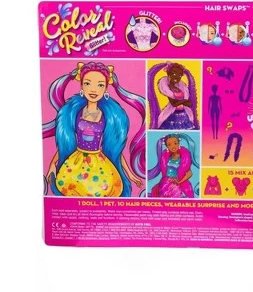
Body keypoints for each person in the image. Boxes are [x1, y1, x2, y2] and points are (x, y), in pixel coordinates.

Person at [42, 62, 145, 197]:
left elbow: (116, 150)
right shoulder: (74, 114)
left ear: (106, 88)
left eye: (100, 85)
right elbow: (65, 143)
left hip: (99, 165)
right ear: (81, 86)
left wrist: (130, 175)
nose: (93, 90)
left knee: (101, 191)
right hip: (75, 163)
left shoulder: (109, 117)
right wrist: (52, 164)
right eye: (88, 83)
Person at [148, 61, 199, 130]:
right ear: (168, 74)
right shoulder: (168, 89)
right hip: (173, 115)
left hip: (183, 113)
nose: (177, 77)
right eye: (174, 73)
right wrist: (184, 101)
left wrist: (182, 102)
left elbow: (189, 104)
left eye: (179, 75)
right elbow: (174, 104)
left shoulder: (180, 88)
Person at [148, 134, 199, 198]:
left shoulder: (183, 159)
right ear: (167, 147)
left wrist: (179, 182)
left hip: (176, 183)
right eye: (169, 145)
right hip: (165, 183)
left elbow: (189, 173)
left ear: (178, 144)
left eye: (175, 143)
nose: (173, 146)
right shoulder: (166, 158)